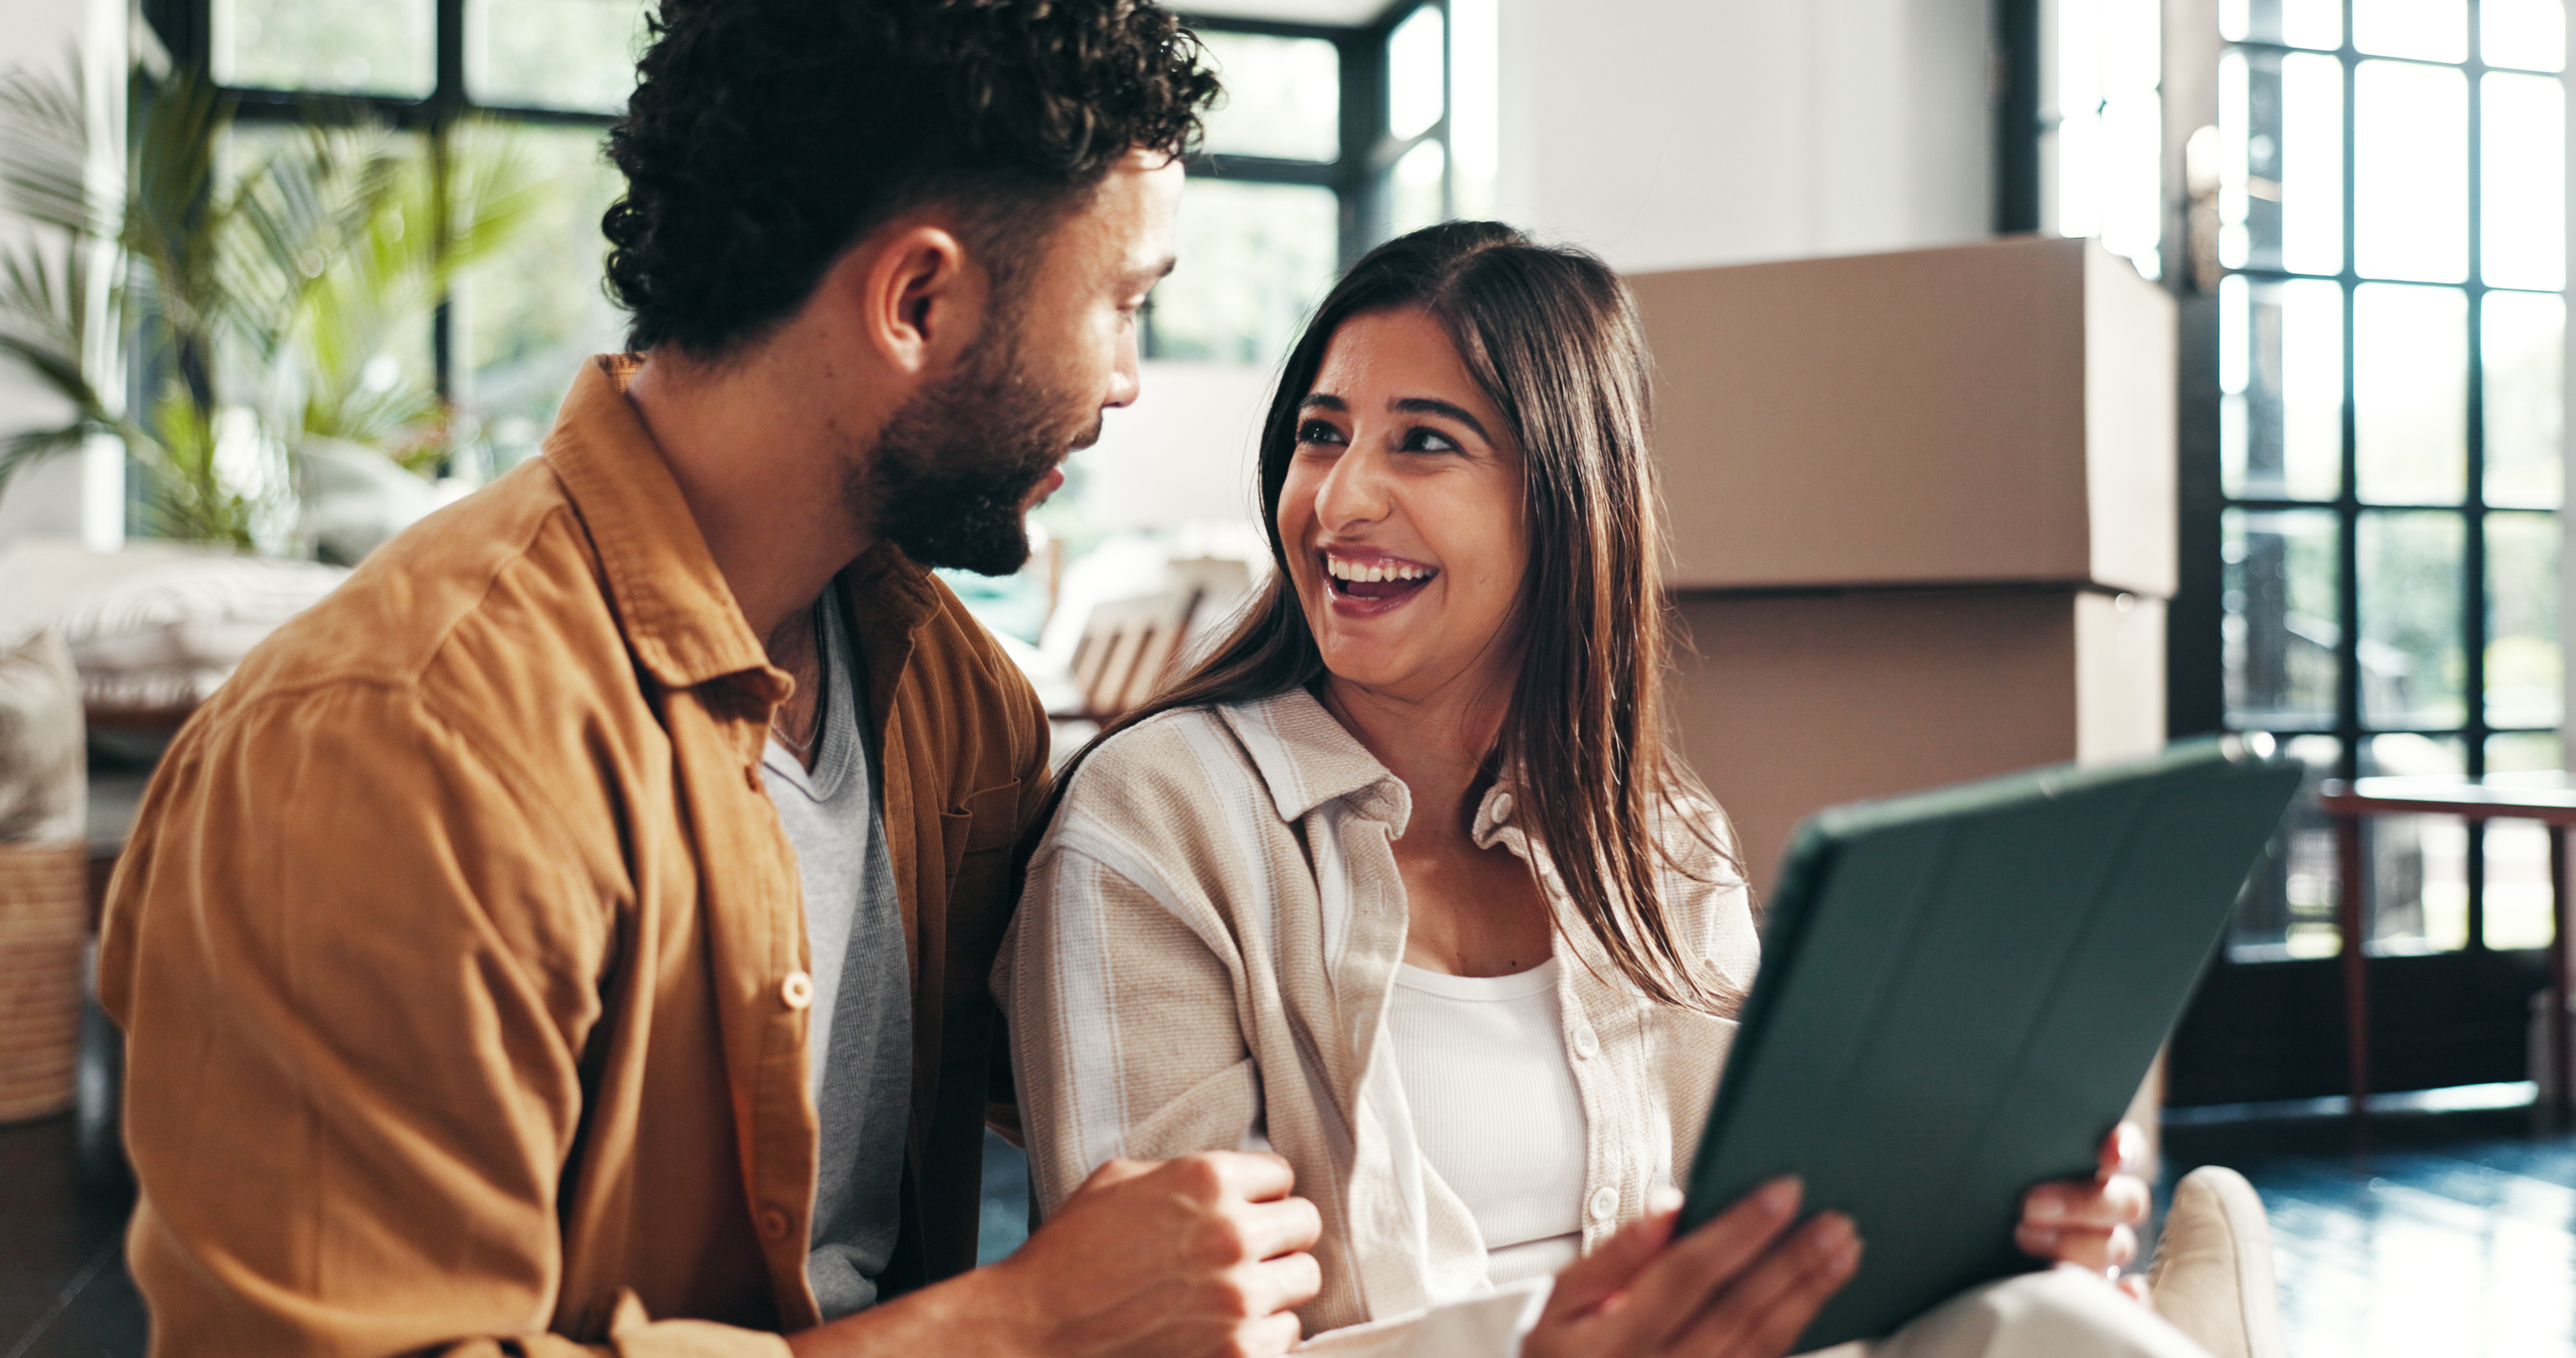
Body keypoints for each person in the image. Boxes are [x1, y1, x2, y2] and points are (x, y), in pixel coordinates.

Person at [97, 3, 1327, 1354]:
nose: (1126, 381)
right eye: (1121, 304)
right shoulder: (394, 745)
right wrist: (1015, 1327)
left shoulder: (953, 698)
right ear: (917, 300)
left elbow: (1112, 1036)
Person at [1001, 223, 2229, 1357]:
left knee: (2049, 1312)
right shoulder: (1157, 821)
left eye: (1422, 441)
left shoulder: (1654, 836)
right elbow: (1154, 1335)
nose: (1337, 500)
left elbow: (1769, 1221)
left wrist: (1984, 1221)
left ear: (1564, 502)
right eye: (1322, 433)